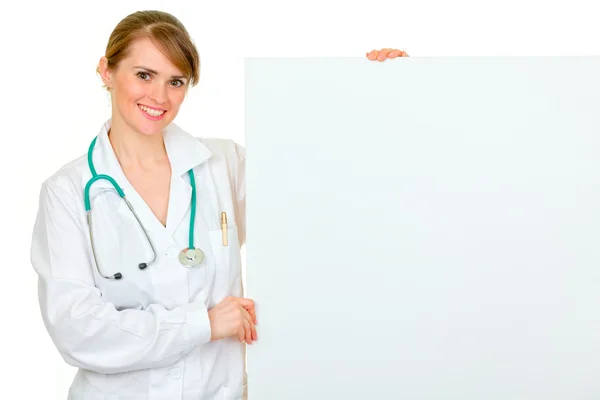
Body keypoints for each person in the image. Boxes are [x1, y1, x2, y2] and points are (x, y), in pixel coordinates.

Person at [29, 9, 408, 400]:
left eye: (175, 81)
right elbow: (77, 331)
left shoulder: (224, 164)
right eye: (144, 75)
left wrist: (380, 94)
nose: (159, 96)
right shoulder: (68, 192)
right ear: (107, 72)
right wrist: (203, 324)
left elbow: (329, 191)